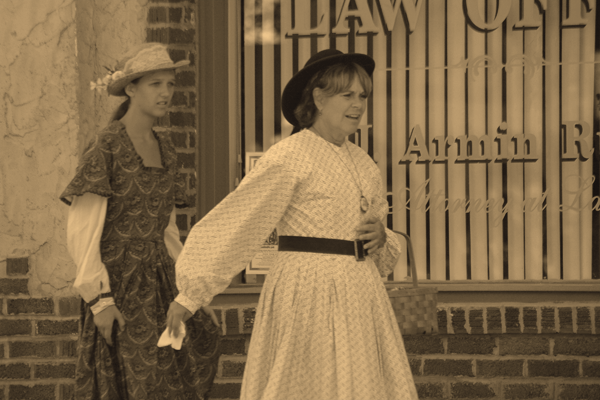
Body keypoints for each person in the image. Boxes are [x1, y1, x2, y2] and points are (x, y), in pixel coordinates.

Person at [167, 49, 419, 399]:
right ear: (319, 98)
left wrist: (382, 237)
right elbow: (240, 221)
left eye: (363, 96)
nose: (358, 105)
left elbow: (378, 245)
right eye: (347, 95)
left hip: (361, 295)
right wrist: (191, 292)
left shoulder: (364, 163)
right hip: (307, 292)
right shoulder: (290, 156)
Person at [60, 43, 221, 400]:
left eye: (170, 84)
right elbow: (82, 228)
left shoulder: (167, 148)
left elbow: (168, 230)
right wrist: (99, 300)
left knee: (172, 377)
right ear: (131, 89)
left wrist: (190, 290)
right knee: (132, 384)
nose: (166, 93)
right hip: (118, 285)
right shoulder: (106, 146)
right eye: (155, 84)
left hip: (160, 282)